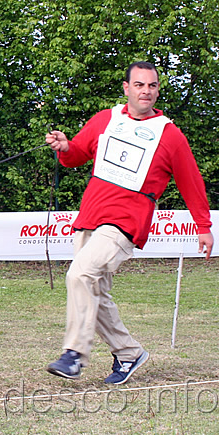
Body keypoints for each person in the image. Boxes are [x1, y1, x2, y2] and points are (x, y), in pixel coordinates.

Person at [45, 61, 214, 385]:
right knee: (94, 292)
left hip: (126, 221)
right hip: (91, 216)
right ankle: (129, 352)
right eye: (139, 85)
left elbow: (190, 180)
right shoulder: (106, 120)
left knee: (80, 274)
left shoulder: (169, 135)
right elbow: (78, 153)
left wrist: (203, 226)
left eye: (151, 86)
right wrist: (66, 147)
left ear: (157, 90)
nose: (145, 91)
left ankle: (74, 355)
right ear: (127, 88)